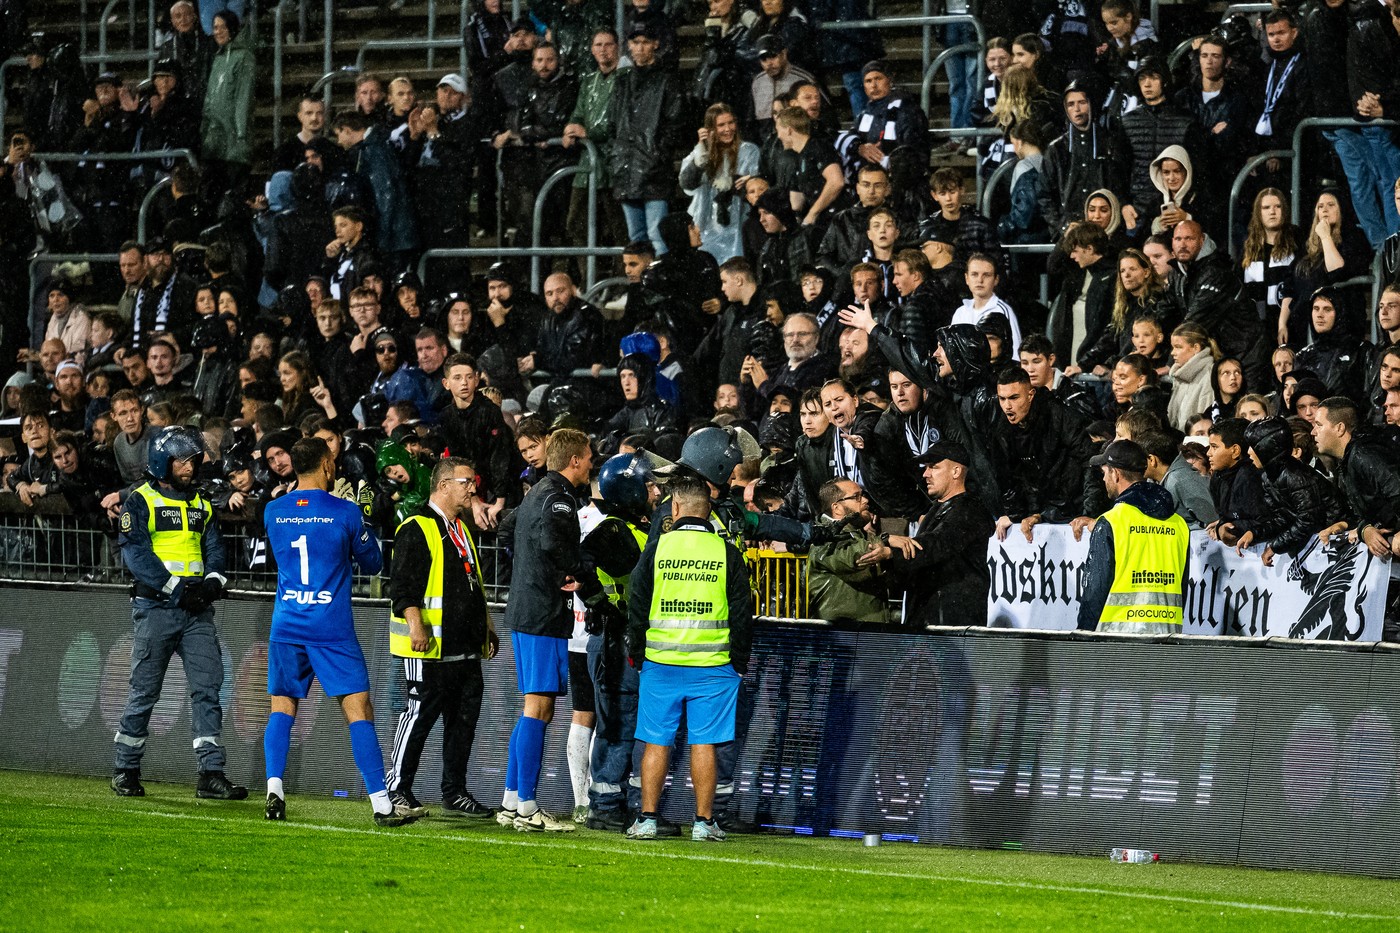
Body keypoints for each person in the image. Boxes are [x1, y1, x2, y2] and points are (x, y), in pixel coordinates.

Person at [258, 437, 416, 825]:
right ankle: (381, 803)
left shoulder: (273, 510)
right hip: (330, 627)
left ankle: (274, 789)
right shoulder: (344, 512)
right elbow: (375, 563)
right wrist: (364, 520)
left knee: (282, 707)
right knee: (358, 710)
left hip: (287, 622)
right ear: (328, 465)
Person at [111, 426, 244, 801]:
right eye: (183, 460)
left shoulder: (202, 502)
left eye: (193, 459)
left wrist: (213, 583)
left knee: (208, 687)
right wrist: (178, 587)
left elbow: (215, 549)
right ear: (162, 461)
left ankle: (211, 773)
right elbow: (136, 554)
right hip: (156, 608)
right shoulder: (139, 501)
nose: (191, 465)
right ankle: (125, 768)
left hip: (195, 610)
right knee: (145, 690)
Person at [625, 474, 752, 841]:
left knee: (656, 741)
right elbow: (743, 612)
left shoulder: (658, 548)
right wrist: (739, 662)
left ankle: (648, 819)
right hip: (713, 666)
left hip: (661, 662)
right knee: (704, 743)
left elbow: (638, 603)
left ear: (675, 508)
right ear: (708, 511)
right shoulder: (725, 551)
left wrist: (638, 654)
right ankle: (703, 823)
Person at [499, 428, 604, 831]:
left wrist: (533, 571)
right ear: (574, 459)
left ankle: (511, 799)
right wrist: (576, 572)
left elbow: (508, 532)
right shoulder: (558, 499)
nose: (591, 462)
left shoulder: (536, 492)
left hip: (526, 611)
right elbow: (552, 545)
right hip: (542, 614)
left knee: (531, 709)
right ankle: (527, 805)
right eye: (589, 456)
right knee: (538, 710)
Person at [384, 455, 499, 819]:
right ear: (444, 485)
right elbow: (402, 588)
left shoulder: (461, 530)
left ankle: (455, 790)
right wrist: (416, 625)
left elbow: (473, 585)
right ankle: (397, 788)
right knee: (417, 716)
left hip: (464, 648)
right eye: (466, 482)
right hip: (429, 647)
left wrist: (488, 626)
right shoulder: (417, 526)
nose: (473, 488)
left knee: (463, 723)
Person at [857, 442, 993, 626]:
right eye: (926, 467)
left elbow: (937, 544)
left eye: (933, 467)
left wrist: (890, 551)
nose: (925, 474)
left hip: (952, 626)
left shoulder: (970, 509)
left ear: (956, 472)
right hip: (927, 621)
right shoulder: (935, 510)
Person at [1075, 439, 1189, 634]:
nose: (1103, 480)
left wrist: (1084, 633)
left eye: (1105, 473)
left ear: (1116, 474)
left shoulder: (1111, 522)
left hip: (1117, 636)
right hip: (1167, 634)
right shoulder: (1179, 524)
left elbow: (1096, 589)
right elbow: (1182, 587)